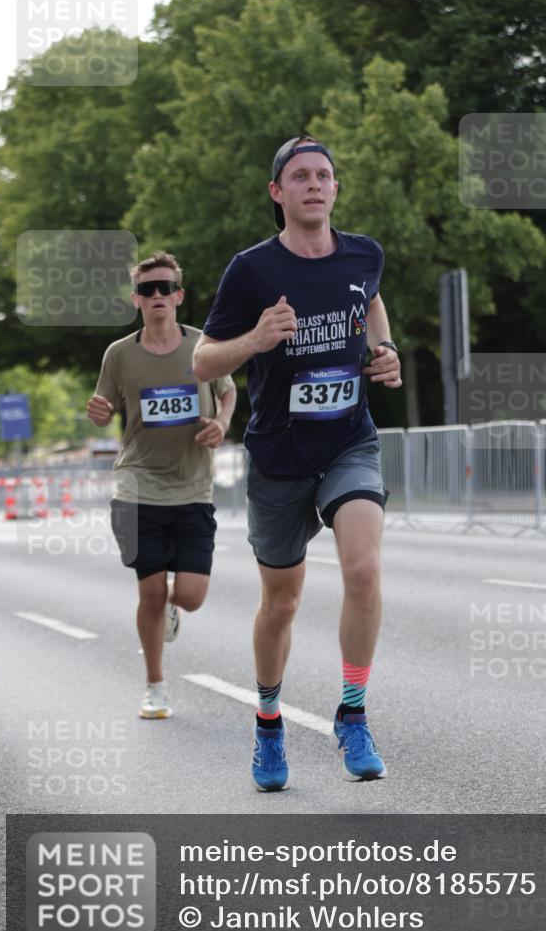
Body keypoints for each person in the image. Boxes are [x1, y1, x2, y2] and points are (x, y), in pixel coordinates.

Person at [193, 135, 401, 790]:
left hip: (348, 440)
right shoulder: (251, 270)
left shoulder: (364, 253)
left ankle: (352, 712)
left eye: (324, 175)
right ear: (277, 193)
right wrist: (255, 339)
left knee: (363, 570)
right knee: (280, 603)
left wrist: (383, 348)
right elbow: (202, 362)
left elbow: (368, 299)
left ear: (335, 189)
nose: (314, 184)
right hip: (279, 455)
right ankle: (268, 720)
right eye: (300, 176)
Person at [87, 251, 236, 719]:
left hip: (193, 486)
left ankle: (170, 610)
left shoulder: (203, 348)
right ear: (136, 299)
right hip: (136, 486)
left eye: (164, 288)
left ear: (179, 296)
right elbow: (104, 406)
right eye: (147, 289)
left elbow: (229, 391)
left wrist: (222, 423)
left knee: (189, 596)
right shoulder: (120, 354)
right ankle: (154, 686)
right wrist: (98, 412)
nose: (156, 296)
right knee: (149, 591)